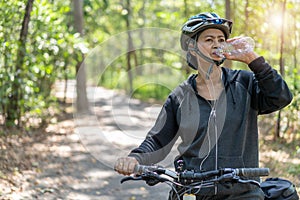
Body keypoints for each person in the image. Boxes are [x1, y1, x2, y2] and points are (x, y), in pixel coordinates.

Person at [114, 12, 293, 199]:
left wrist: (253, 60)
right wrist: (134, 158)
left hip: (243, 192)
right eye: (209, 39)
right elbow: (158, 141)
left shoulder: (244, 83)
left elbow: (281, 97)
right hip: (193, 191)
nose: (217, 44)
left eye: (221, 39)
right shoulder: (180, 96)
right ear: (192, 47)